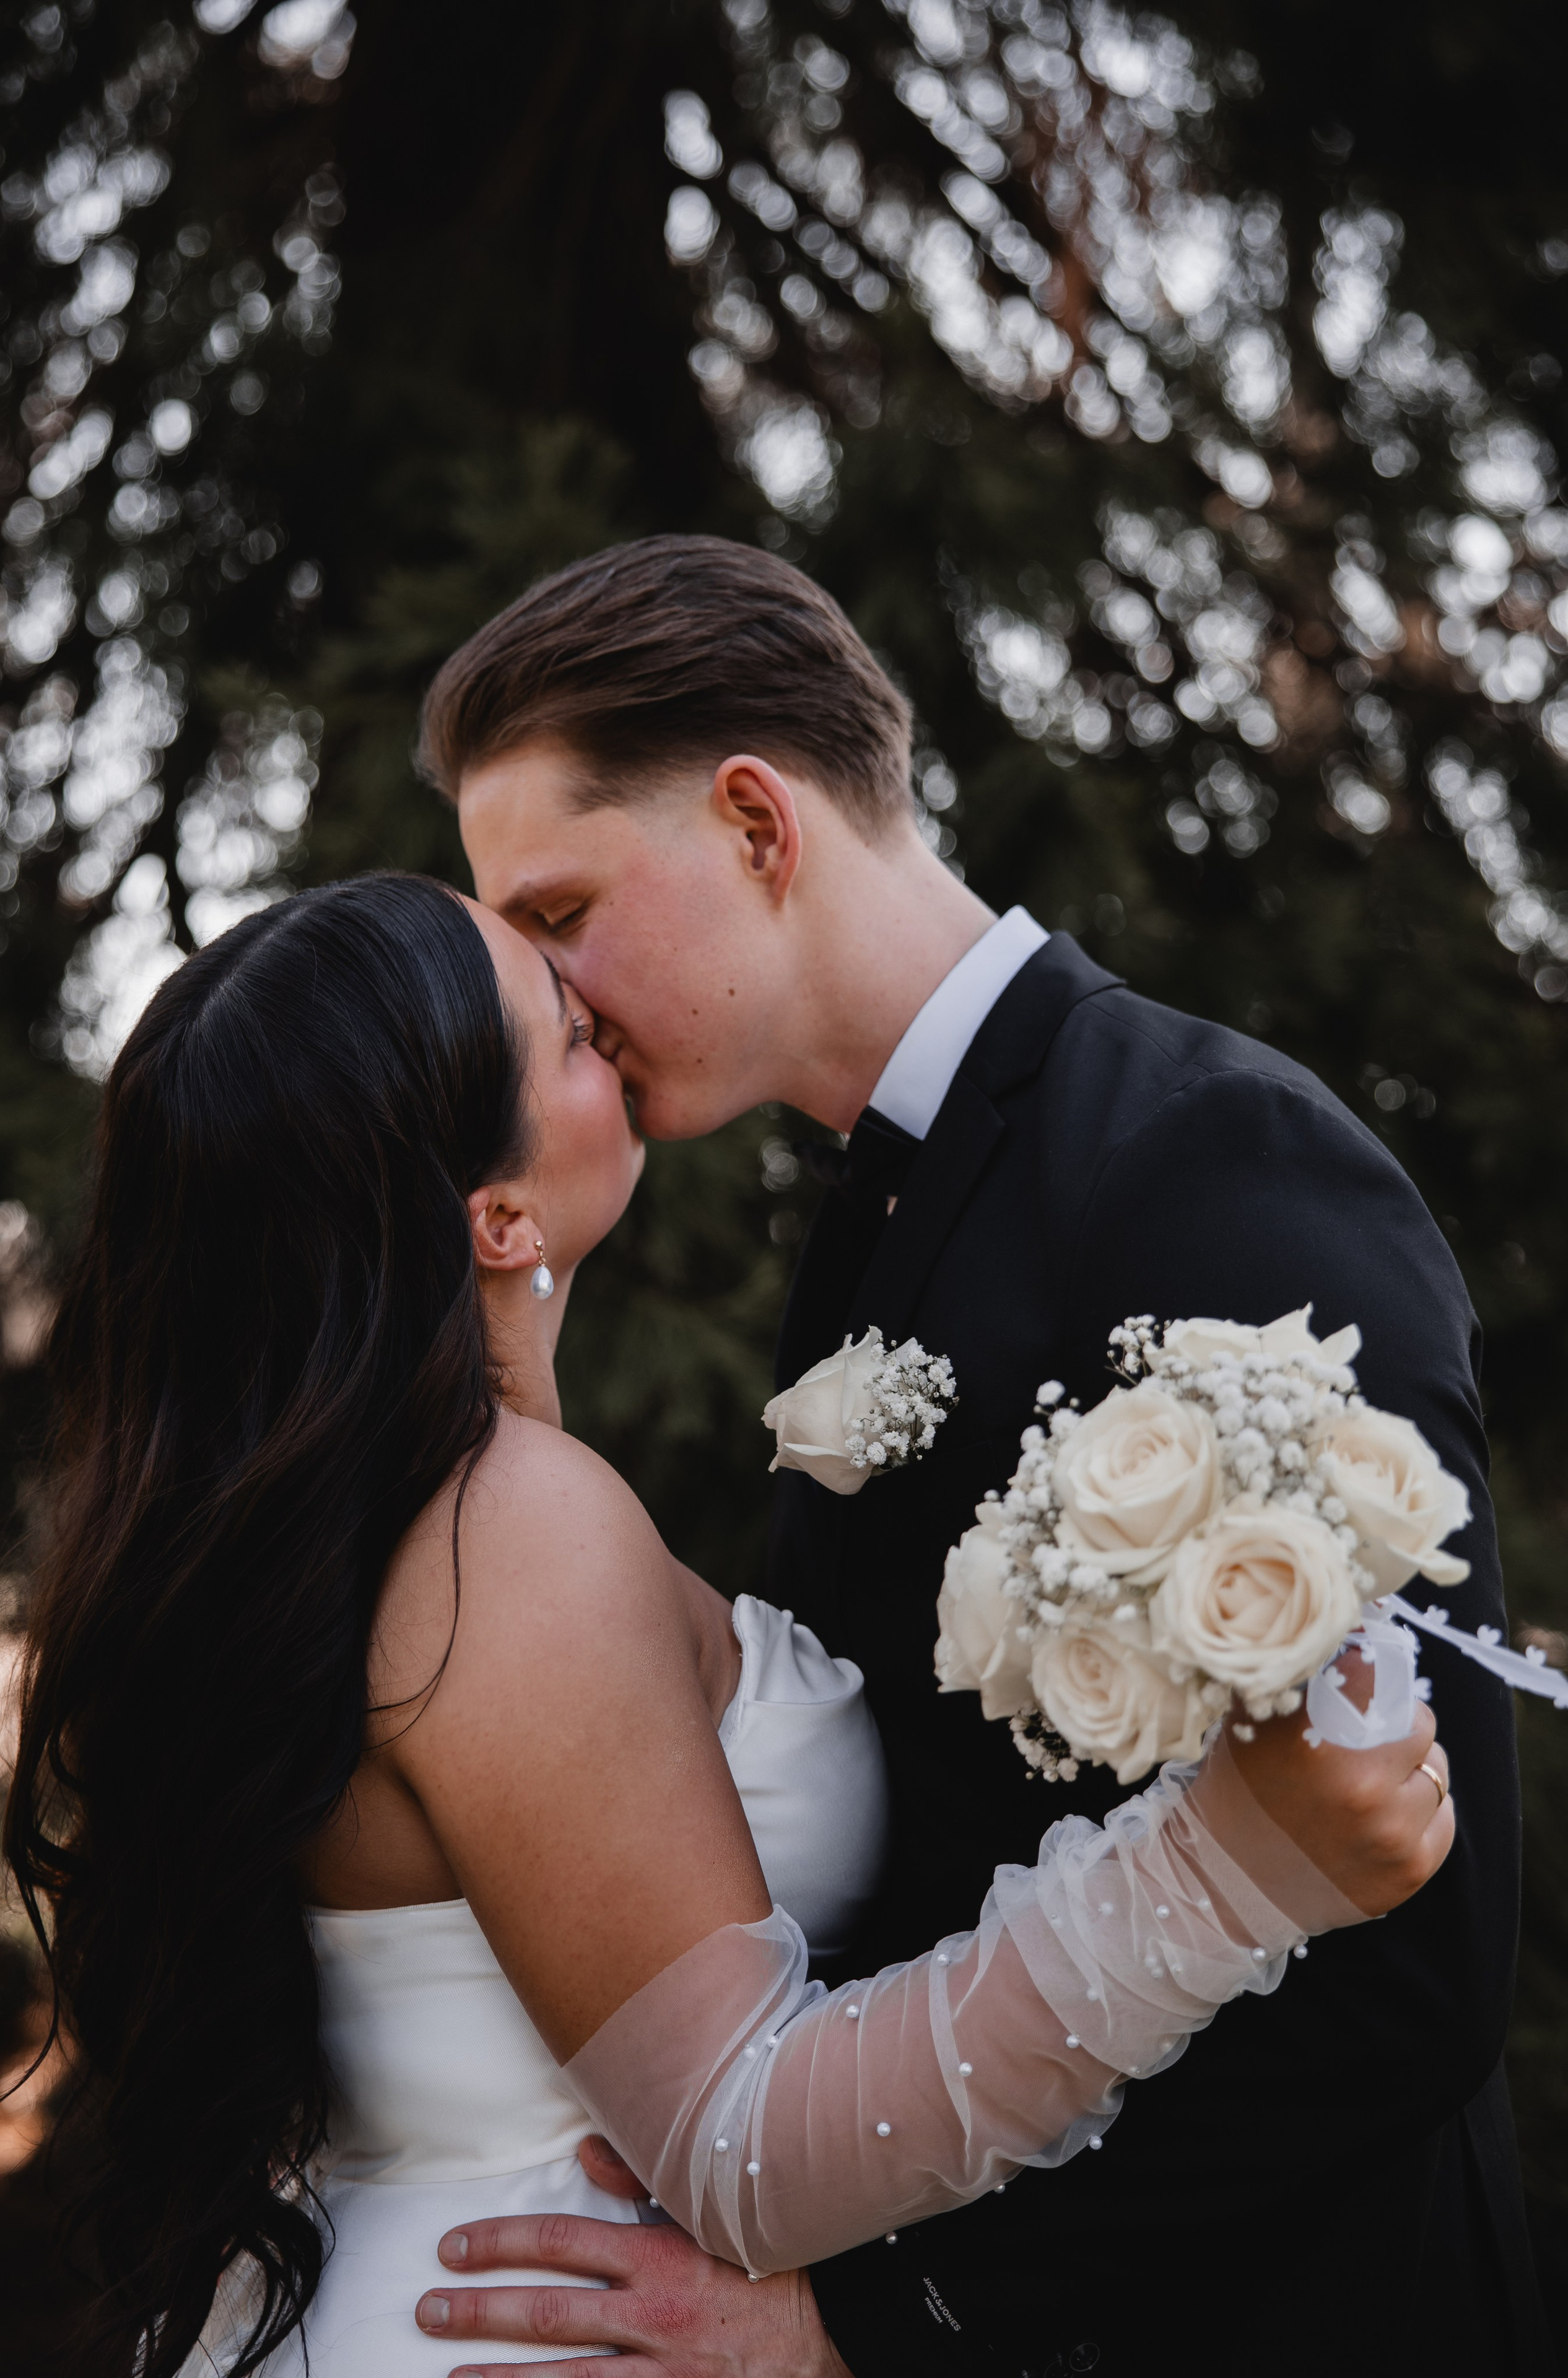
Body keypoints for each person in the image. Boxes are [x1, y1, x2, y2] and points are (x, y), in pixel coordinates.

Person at [5, 874, 1447, 2378]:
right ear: (497, 1218)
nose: (606, 1022)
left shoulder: (320, 1535)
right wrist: (1229, 1871)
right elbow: (738, 2146)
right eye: (564, 1031)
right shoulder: (500, 1523)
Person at [420, 533, 1551, 2376]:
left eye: (558, 916)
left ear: (757, 825)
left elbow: (1412, 1964)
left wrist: (876, 2323)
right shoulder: (877, 1219)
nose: (547, 999)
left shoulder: (1207, 1157)